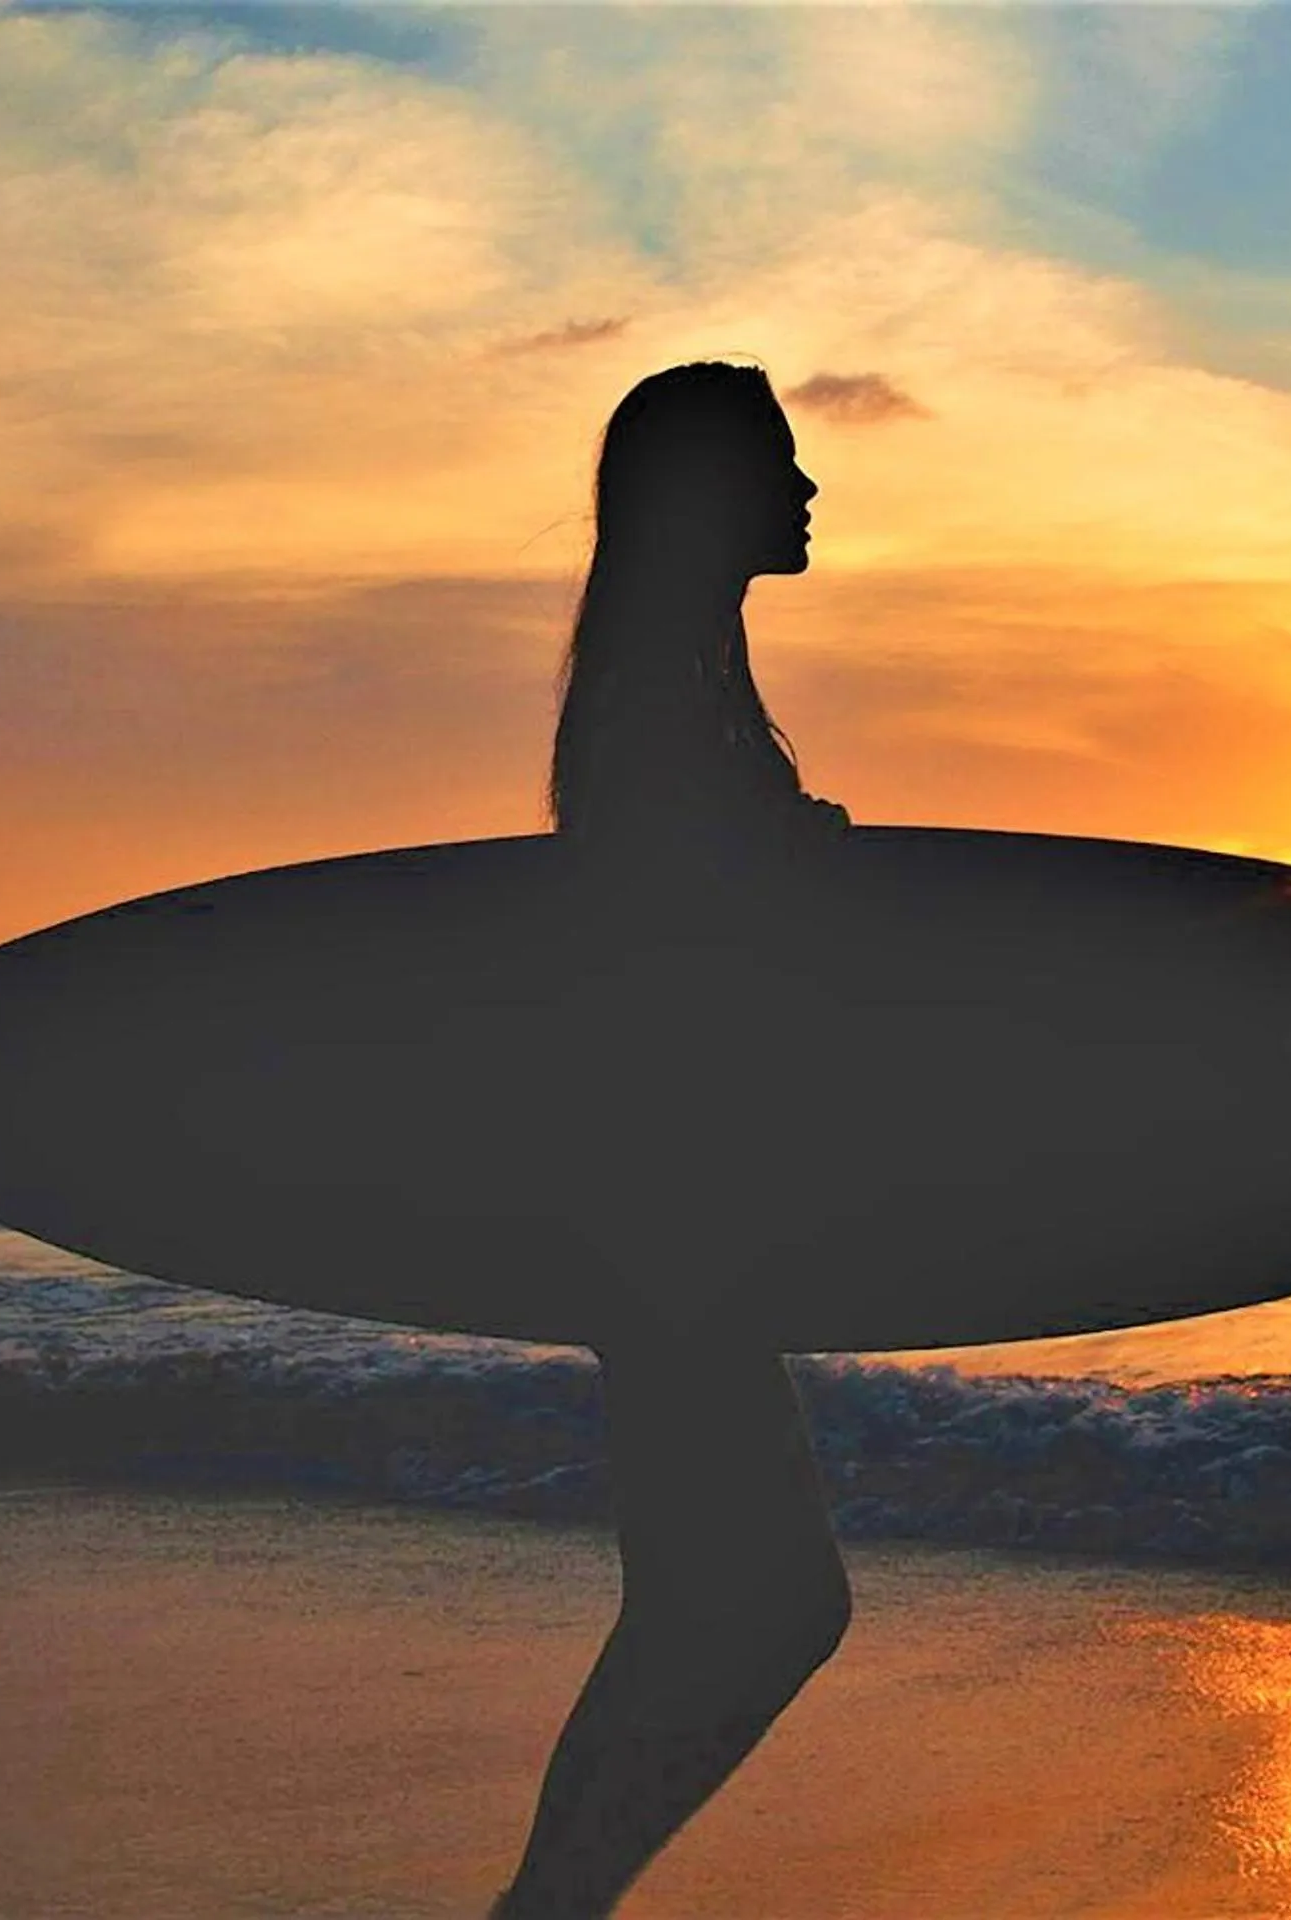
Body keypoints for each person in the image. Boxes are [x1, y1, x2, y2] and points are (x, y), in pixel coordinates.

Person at [492, 363, 853, 1919]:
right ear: (706, 494)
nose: (809, 488)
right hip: (667, 1222)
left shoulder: (677, 689)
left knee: (719, 1604)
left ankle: (553, 1907)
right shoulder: (657, 707)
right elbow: (671, 955)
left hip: (666, 1210)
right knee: (765, 1605)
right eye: (779, 461)